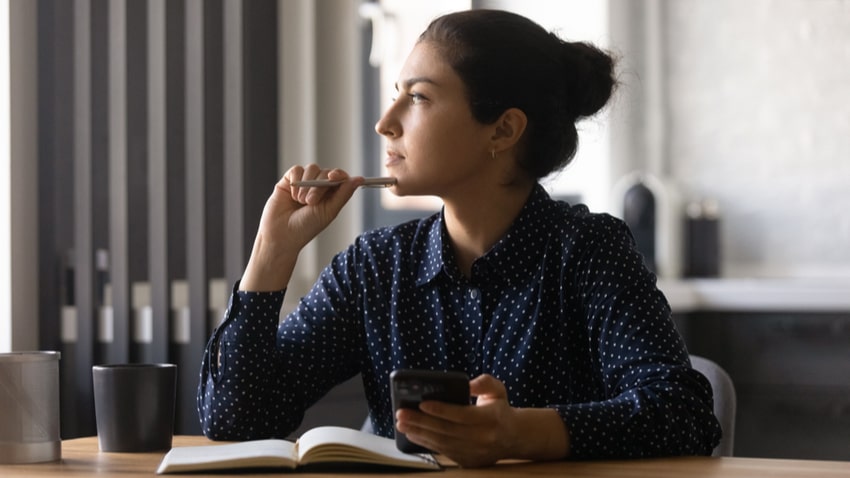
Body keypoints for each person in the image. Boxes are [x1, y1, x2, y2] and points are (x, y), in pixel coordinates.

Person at [197, 9, 721, 467]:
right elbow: (235, 420)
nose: (385, 123)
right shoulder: (376, 267)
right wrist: (274, 249)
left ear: (502, 131)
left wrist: (519, 432)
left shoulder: (587, 252)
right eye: (395, 94)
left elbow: (683, 415)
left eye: (418, 97)